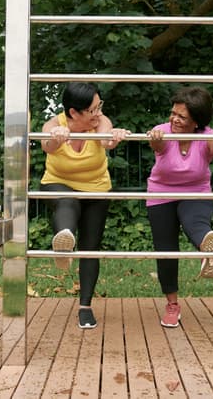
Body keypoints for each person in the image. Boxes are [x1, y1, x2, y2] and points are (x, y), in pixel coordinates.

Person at [146, 86, 213, 328]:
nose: (174, 119)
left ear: (196, 121)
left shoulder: (207, 135)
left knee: (196, 223)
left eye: (182, 117)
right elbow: (157, 147)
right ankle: (172, 305)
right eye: (173, 113)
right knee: (166, 251)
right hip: (161, 194)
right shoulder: (162, 131)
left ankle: (208, 249)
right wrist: (155, 140)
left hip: (195, 192)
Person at [40, 82, 130, 329]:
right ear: (73, 112)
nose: (98, 113)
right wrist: (56, 138)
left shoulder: (100, 122)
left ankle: (85, 307)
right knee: (68, 202)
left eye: (99, 106)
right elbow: (46, 145)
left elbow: (107, 142)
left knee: (90, 247)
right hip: (58, 183)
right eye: (92, 109)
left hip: (96, 188)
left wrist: (115, 136)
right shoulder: (54, 124)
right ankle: (64, 242)